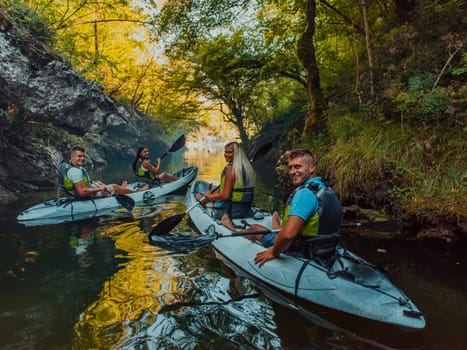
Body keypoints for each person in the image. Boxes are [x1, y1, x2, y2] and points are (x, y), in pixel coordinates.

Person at [221, 149, 342, 267]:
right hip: (324, 249)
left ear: (311, 168)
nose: (292, 172)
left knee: (254, 228)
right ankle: (277, 226)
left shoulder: (304, 194)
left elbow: (289, 235)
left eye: (297, 167)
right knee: (280, 228)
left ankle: (232, 231)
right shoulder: (325, 189)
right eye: (290, 167)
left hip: (302, 249)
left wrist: (273, 251)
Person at [58, 146, 147, 200]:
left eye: (84, 156)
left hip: (69, 194)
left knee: (100, 182)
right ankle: (137, 192)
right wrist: (99, 189)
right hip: (79, 196)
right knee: (114, 186)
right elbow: (82, 192)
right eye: (79, 156)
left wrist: (97, 185)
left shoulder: (68, 166)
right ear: (72, 157)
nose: (82, 158)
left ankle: (119, 190)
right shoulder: (75, 172)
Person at [196, 141, 256, 219]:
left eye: (229, 152)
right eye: (225, 152)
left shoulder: (230, 169)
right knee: (214, 188)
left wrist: (209, 197)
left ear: (237, 154)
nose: (226, 155)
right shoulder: (246, 167)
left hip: (231, 211)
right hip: (246, 210)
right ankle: (205, 200)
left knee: (203, 196)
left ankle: (203, 200)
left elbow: (225, 195)